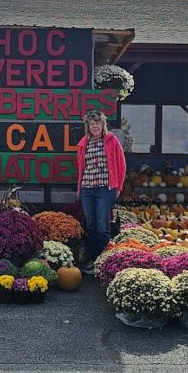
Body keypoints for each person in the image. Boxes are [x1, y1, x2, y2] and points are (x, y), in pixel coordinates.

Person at [75, 109, 126, 271]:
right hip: (87, 189)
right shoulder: (84, 142)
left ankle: (103, 261)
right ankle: (92, 258)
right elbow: (80, 166)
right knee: (90, 225)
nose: (95, 126)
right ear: (88, 126)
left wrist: (118, 187)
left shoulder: (112, 141)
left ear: (102, 124)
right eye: (91, 123)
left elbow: (121, 165)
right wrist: (80, 188)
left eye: (97, 123)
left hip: (106, 189)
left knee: (103, 225)